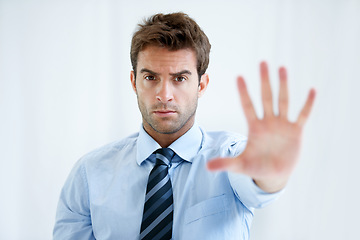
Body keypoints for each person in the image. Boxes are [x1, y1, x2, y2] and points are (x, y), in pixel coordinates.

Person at [53, 12, 316, 240]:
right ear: (134, 82)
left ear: (201, 85)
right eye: (150, 77)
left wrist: (273, 167)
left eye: (179, 78)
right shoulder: (89, 174)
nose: (164, 94)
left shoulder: (230, 156)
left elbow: (259, 182)